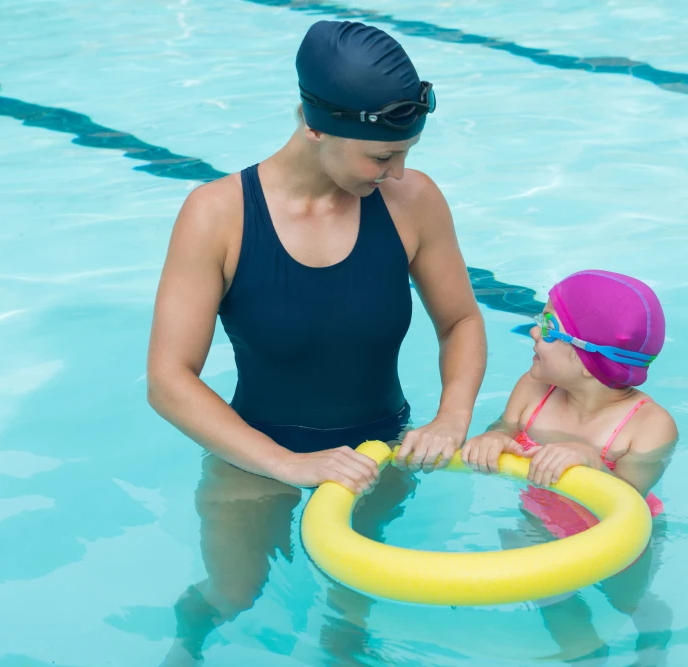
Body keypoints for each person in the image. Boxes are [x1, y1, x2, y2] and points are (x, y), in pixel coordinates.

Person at [147, 19, 486, 664]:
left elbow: (462, 321)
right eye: (381, 156)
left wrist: (452, 416)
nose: (398, 171)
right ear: (314, 123)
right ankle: (184, 645)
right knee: (235, 595)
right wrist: (291, 466)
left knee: (351, 618)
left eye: (408, 152)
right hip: (255, 457)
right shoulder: (217, 214)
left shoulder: (411, 200)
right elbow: (169, 380)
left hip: (378, 455)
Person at [462, 269, 677, 665]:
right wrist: (493, 437)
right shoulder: (533, 387)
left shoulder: (648, 426)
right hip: (540, 515)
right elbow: (505, 426)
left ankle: (653, 628)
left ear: (583, 358)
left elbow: (628, 500)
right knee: (552, 599)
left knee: (627, 600)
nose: (533, 332)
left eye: (547, 326)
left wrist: (591, 461)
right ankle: (585, 656)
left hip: (619, 538)